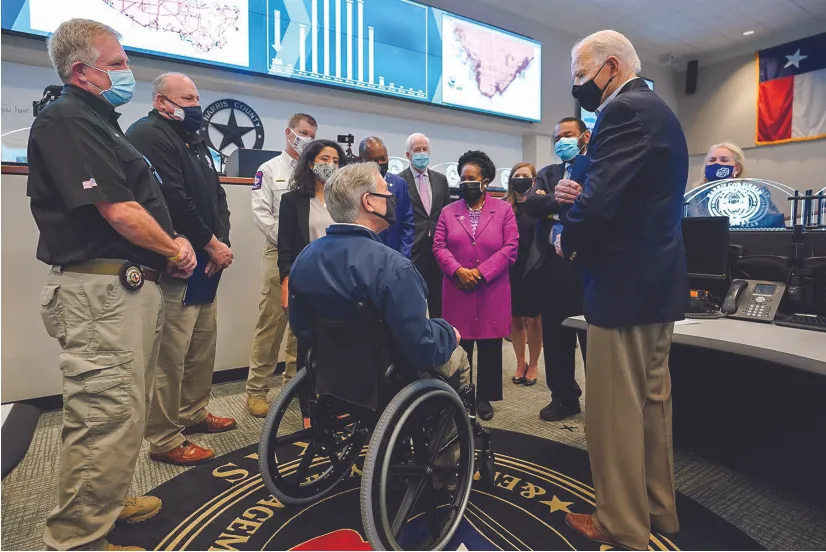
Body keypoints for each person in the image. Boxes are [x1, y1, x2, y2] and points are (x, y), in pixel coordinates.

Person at [28, 19, 197, 550]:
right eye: (119, 63)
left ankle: (107, 501)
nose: (128, 72)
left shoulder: (102, 124)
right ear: (83, 71)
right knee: (103, 415)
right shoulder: (68, 120)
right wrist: (174, 247)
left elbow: (138, 205)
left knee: (124, 409)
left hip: (123, 291)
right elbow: (120, 211)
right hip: (99, 294)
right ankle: (78, 539)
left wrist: (170, 242)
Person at [555, 30, 688, 548]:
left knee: (613, 415)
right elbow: (631, 195)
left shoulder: (622, 111)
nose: (578, 87)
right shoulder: (658, 111)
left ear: (611, 66)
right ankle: (657, 510)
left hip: (622, 288)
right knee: (652, 406)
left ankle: (621, 525)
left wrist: (566, 238)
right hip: (655, 285)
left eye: (581, 75)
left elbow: (600, 207)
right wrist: (582, 192)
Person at [288, 161, 469, 406]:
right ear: (369, 202)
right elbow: (421, 347)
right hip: (388, 380)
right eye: (386, 192)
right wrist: (448, 333)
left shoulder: (305, 258)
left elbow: (302, 328)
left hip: (331, 377)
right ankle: (454, 429)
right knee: (459, 357)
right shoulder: (394, 267)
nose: (392, 198)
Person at [126, 72, 236, 466]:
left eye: (196, 98)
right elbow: (172, 197)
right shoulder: (149, 134)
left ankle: (192, 412)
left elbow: (217, 195)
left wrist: (220, 243)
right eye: (187, 99)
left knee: (201, 347)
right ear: (162, 102)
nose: (195, 106)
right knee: (170, 356)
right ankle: (164, 437)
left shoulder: (195, 140)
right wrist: (209, 243)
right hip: (177, 262)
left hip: (208, 261)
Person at [433, 150, 518, 421]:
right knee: (460, 344)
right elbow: (439, 246)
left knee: (491, 346)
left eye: (471, 178)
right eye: (462, 178)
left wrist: (480, 273)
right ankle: (459, 395)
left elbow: (511, 247)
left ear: (485, 181)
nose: (465, 182)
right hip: (457, 288)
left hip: (491, 288)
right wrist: (458, 270)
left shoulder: (503, 210)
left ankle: (484, 397)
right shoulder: (448, 211)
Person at [246, 113, 317, 417]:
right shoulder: (269, 169)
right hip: (278, 252)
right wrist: (290, 239)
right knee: (271, 324)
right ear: (289, 133)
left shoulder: (315, 172)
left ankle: (293, 385)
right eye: (303, 132)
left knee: (301, 327)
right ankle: (256, 390)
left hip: (311, 257)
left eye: (312, 134)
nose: (307, 139)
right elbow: (260, 214)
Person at [525, 117, 590, 422]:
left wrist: (551, 206)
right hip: (551, 266)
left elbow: (590, 206)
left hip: (586, 266)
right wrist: (560, 200)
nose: (562, 141)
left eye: (569, 134)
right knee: (555, 334)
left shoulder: (595, 169)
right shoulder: (548, 173)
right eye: (557, 137)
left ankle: (601, 401)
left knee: (591, 337)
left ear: (584, 137)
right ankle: (564, 398)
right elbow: (531, 205)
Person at [278, 139, 346, 317]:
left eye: (335, 161)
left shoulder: (346, 201)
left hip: (341, 279)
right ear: (310, 164)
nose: (330, 164)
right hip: (307, 276)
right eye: (325, 159)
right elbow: (285, 248)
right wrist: (286, 283)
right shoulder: (292, 201)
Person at [401, 133, 450, 317]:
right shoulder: (399, 181)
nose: (421, 153)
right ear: (408, 155)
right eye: (417, 150)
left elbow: (447, 214)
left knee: (438, 302)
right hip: (413, 249)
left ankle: (438, 333)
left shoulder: (441, 180)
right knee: (414, 300)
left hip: (438, 250)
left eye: (424, 149)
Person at [505, 163, 543, 386]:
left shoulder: (539, 205)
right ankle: (521, 362)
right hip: (510, 268)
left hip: (535, 268)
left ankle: (534, 364)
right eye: (516, 175)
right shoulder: (505, 206)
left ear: (534, 180)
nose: (520, 179)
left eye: (525, 176)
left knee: (534, 320)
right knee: (515, 318)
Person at [358, 136, 415, 257]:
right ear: (362, 160)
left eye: (383, 158)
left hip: (395, 256)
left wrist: (403, 256)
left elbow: (408, 224)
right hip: (363, 255)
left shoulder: (399, 184)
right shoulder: (354, 186)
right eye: (374, 160)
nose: (380, 163)